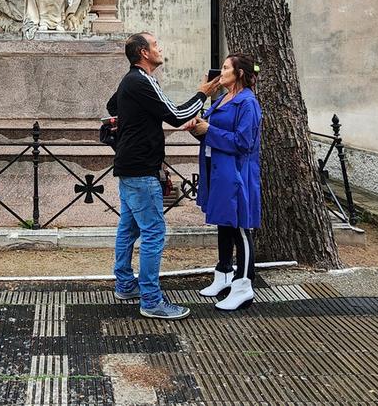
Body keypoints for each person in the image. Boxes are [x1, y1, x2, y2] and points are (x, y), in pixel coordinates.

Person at [106, 32, 219, 319]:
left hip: (130, 165)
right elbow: (176, 115)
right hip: (142, 168)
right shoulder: (140, 80)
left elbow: (113, 106)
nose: (160, 49)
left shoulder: (131, 82)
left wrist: (141, 120)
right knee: (154, 233)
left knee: (129, 228)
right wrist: (203, 93)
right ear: (144, 53)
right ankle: (151, 300)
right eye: (155, 45)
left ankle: (124, 284)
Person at [183, 53, 262, 311]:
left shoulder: (247, 102)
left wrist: (210, 131)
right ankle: (224, 273)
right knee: (224, 223)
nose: (222, 71)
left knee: (240, 227)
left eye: (227, 68)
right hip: (218, 170)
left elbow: (244, 143)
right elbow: (212, 134)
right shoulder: (223, 99)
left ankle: (244, 286)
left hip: (237, 173)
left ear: (239, 73)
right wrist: (199, 129)